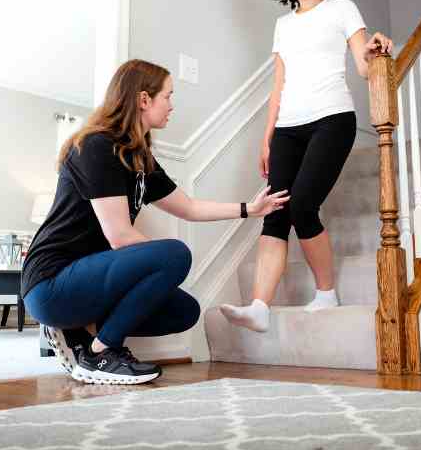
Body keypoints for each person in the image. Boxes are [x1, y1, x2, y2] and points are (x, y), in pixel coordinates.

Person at [22, 59, 288, 385]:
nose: (172, 105)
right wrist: (163, 264)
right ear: (144, 99)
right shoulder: (96, 146)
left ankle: (81, 333)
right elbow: (120, 236)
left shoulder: (138, 158)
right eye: (168, 95)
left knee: (184, 311)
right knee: (175, 254)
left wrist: (250, 209)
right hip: (51, 282)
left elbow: (189, 207)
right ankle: (100, 354)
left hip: (88, 280)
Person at [220, 0, 393, 332]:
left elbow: (363, 65)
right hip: (287, 127)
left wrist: (375, 48)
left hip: (332, 118)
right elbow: (278, 84)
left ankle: (326, 292)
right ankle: (259, 307)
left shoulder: (342, 8)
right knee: (275, 211)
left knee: (302, 206)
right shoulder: (284, 25)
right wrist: (267, 138)